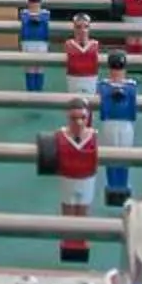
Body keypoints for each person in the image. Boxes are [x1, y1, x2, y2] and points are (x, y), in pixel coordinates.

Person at [49, 97, 99, 264]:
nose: (78, 122)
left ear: (88, 117)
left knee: (83, 210)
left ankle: (80, 241)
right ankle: (68, 241)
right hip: (67, 179)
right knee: (68, 210)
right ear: (67, 117)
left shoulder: (94, 136)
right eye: (74, 118)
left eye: (83, 118)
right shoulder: (59, 136)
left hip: (87, 180)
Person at [94, 51, 138, 207]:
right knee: (111, 155)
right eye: (114, 68)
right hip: (109, 122)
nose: (117, 71)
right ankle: (112, 186)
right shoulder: (103, 85)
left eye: (120, 68)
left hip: (125, 123)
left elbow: (133, 106)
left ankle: (123, 185)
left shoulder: (131, 85)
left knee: (125, 155)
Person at [60, 14, 101, 98]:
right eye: (78, 27)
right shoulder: (69, 44)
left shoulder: (95, 44)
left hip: (91, 79)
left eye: (86, 27)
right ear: (74, 28)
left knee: (89, 105)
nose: (82, 30)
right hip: (74, 79)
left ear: (89, 28)